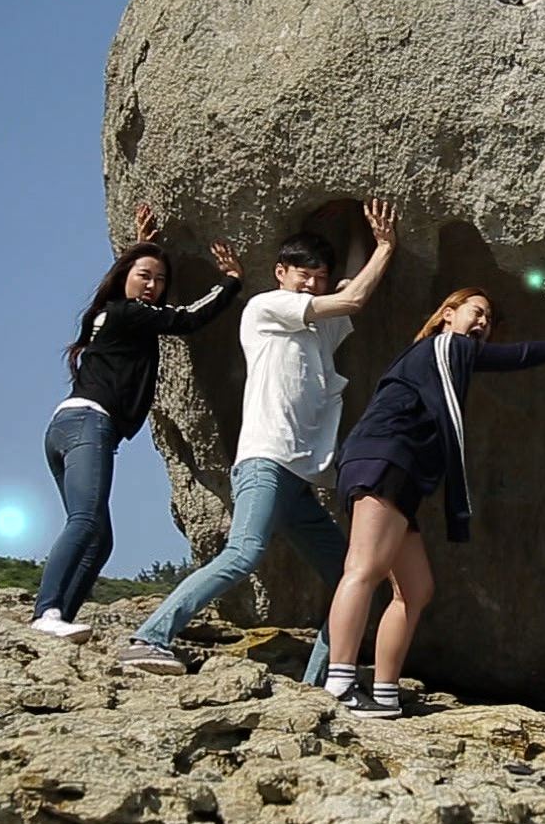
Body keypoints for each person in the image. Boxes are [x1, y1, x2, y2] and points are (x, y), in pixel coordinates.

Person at [117, 200, 400, 680]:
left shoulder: (319, 330)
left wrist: (360, 225)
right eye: (303, 275)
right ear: (280, 273)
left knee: (353, 578)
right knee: (243, 553)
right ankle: (150, 637)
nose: (312, 284)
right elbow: (351, 299)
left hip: (299, 478)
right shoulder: (268, 307)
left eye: (319, 277)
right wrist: (387, 247)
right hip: (266, 460)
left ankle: (319, 682)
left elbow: (350, 285)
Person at [322, 288, 545, 718]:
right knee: (364, 568)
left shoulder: (436, 357)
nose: (482, 323)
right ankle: (339, 682)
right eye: (476, 312)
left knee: (416, 589)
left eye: (488, 319)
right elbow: (513, 357)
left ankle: (384, 692)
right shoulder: (445, 345)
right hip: (385, 458)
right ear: (447, 314)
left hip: (400, 471)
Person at [31, 205, 242, 641]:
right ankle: (46, 611)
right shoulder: (128, 313)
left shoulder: (109, 314)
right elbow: (186, 318)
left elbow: (137, 288)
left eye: (160, 280)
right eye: (144, 276)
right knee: (85, 521)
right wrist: (231, 282)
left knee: (99, 537)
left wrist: (141, 248)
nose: (153, 285)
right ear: (124, 277)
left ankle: (59, 618)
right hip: (88, 424)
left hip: (68, 427)